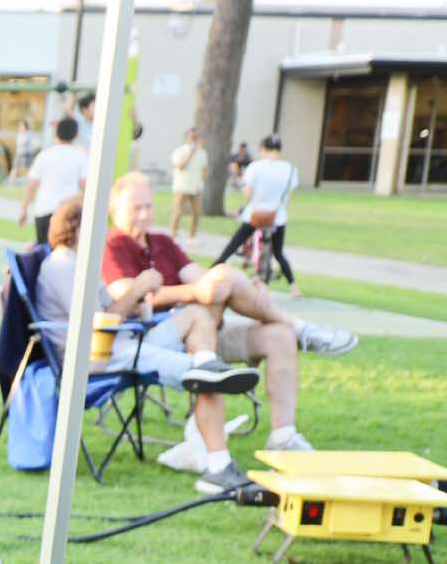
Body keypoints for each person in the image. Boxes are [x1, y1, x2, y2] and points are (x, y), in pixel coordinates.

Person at [101, 172, 355, 490]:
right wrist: (198, 292)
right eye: (136, 208)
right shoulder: (112, 245)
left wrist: (238, 288)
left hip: (204, 324)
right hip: (160, 337)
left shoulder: (162, 243)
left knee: (278, 334)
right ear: (114, 209)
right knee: (220, 292)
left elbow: (204, 280)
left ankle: (283, 436)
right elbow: (127, 296)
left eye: (149, 206)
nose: (144, 215)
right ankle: (301, 327)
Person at [33, 198, 262, 446]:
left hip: (121, 342)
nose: (104, 232)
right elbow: (98, 326)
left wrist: (139, 298)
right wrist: (136, 289)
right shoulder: (62, 266)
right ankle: (204, 378)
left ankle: (207, 364)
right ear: (79, 229)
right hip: (97, 356)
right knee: (195, 373)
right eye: (98, 225)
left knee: (195, 315)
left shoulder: (80, 263)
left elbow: (110, 310)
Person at [213, 135, 301, 294]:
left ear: (263, 149)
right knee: (278, 252)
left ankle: (211, 273)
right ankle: (293, 286)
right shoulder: (290, 169)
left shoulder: (255, 167)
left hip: (254, 214)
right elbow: (288, 196)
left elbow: (248, 192)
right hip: (277, 217)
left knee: (233, 246)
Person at [18, 116, 86, 246]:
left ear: (56, 133)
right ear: (76, 134)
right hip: (68, 213)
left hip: (44, 210)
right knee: (66, 252)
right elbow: (85, 186)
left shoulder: (44, 155)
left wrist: (23, 208)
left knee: (44, 251)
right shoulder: (81, 156)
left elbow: (32, 185)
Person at [168, 127, 208, 239]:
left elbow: (204, 170)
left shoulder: (202, 153)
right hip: (181, 186)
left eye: (196, 137)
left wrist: (201, 184)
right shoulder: (179, 151)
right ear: (186, 138)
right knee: (178, 211)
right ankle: (173, 233)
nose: (194, 139)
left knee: (196, 212)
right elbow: (180, 166)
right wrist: (191, 154)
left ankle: (192, 235)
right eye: (192, 137)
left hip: (196, 187)